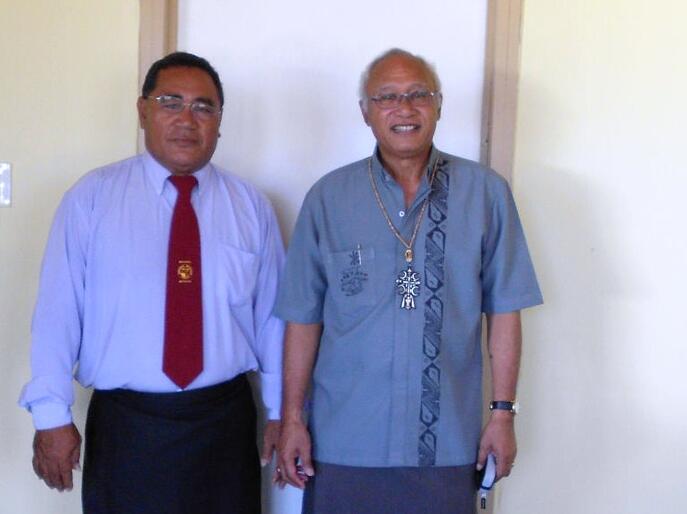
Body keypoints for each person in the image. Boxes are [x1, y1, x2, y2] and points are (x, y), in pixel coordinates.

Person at [275, 48, 543, 514]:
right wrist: (291, 419)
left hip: (447, 443)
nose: (405, 108)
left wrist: (503, 414)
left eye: (419, 94)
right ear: (365, 112)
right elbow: (303, 319)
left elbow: (504, 312)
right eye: (387, 97)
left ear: (439, 106)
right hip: (343, 442)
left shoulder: (485, 193)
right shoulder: (328, 198)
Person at [19, 52, 284, 514]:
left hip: (223, 424)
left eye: (204, 107)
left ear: (220, 122)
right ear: (143, 111)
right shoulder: (92, 198)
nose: (187, 119)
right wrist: (51, 416)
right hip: (127, 427)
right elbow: (58, 314)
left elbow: (274, 323)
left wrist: (283, 412)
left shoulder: (251, 207)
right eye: (170, 102)